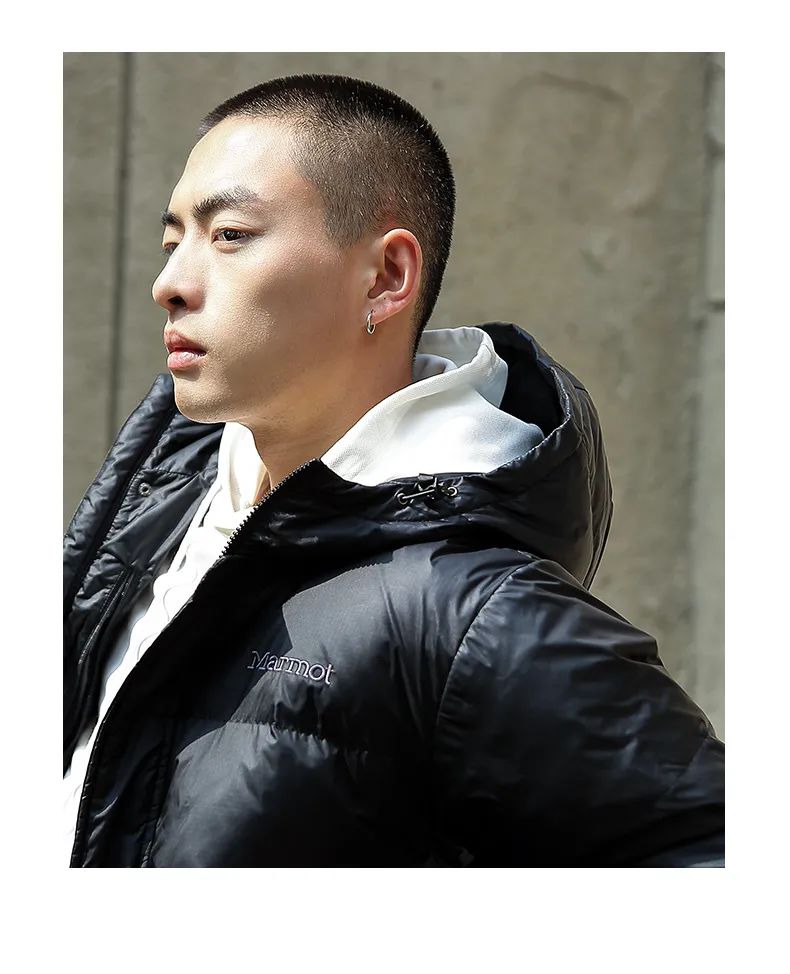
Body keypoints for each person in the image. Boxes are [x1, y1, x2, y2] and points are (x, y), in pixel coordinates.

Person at [63, 73, 724, 868]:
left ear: (385, 279)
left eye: (229, 234)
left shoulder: (471, 613)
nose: (168, 284)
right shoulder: (163, 502)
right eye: (174, 242)